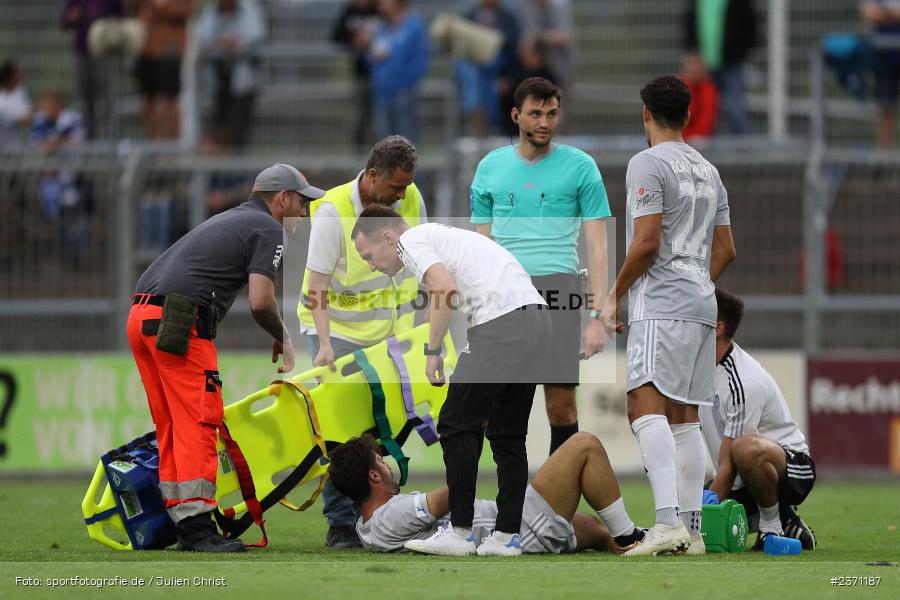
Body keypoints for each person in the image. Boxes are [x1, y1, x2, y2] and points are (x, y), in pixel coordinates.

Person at [127, 164, 324, 552]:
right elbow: (260, 300)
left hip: (141, 316)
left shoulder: (233, 218)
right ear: (281, 198)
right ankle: (198, 529)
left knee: (171, 424)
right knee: (199, 421)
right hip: (180, 322)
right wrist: (282, 336)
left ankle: (183, 520)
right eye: (302, 203)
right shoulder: (268, 228)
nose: (304, 213)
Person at [351, 207, 551, 556]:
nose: (371, 264)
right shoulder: (441, 238)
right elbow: (448, 296)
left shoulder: (411, 241)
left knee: (456, 422)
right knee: (507, 434)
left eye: (368, 255)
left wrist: (433, 352)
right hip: (536, 319)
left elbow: (444, 288)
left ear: (387, 237)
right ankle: (506, 537)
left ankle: (459, 531)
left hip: (503, 322)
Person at [601, 75, 736, 556]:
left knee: (644, 406)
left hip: (662, 304)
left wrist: (614, 295)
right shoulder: (708, 170)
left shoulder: (647, 163)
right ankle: (692, 531)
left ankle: (664, 524)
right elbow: (726, 248)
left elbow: (646, 241)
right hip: (701, 303)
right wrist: (698, 280)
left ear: (645, 113)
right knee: (685, 418)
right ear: (689, 115)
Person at [297, 135, 427, 549]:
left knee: (384, 428)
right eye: (395, 188)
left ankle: (373, 514)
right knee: (345, 434)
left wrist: (420, 332)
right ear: (372, 177)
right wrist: (323, 345)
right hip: (334, 332)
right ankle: (341, 524)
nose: (402, 196)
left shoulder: (410, 199)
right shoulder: (333, 213)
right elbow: (316, 285)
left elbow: (422, 268)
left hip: (386, 335)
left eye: (406, 187)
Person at [470, 77, 611, 457]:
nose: (544, 122)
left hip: (560, 290)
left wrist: (599, 315)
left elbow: (598, 247)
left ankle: (556, 506)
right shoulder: (489, 168)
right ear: (516, 116)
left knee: (561, 403)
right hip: (506, 292)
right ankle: (500, 505)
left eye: (551, 113)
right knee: (499, 408)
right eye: (535, 113)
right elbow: (480, 246)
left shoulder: (581, 167)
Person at [328, 432, 645, 554]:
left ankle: (628, 541)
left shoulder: (366, 525)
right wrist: (468, 434)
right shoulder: (391, 516)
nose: (388, 466)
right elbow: (455, 493)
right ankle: (630, 538)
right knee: (584, 444)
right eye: (381, 463)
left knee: (595, 529)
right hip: (517, 529)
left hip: (514, 522)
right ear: (373, 475)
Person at [701, 287, 817, 551]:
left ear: (717, 328)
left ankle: (771, 527)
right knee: (694, 510)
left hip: (792, 468)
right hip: (741, 473)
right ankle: (788, 521)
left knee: (745, 449)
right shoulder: (700, 370)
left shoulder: (743, 380)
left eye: (696, 318)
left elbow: (730, 464)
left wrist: (702, 516)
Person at [195, 0, 266, 151]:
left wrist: (228, 43)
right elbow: (203, 37)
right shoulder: (211, 11)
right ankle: (221, 168)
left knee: (240, 127)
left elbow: (253, 37)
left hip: (243, 81)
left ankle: (238, 168)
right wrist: (225, 43)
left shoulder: (249, 9)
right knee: (220, 125)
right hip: (218, 79)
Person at [30, 90, 90, 268]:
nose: (44, 108)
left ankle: (77, 256)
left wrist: (56, 144)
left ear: (57, 104)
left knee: (76, 218)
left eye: (48, 104)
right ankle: (65, 254)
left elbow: (79, 143)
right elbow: (35, 144)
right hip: (50, 179)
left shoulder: (71, 119)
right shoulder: (41, 120)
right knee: (60, 219)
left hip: (73, 178)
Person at [683, 0, 758, 136]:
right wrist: (692, 54)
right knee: (708, 112)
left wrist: (741, 53)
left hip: (732, 63)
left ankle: (745, 149)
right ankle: (712, 151)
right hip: (704, 67)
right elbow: (689, 24)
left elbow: (750, 25)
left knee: (737, 108)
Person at [363, 0, 429, 142]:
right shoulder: (381, 28)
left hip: (404, 94)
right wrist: (370, 51)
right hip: (382, 93)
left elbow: (420, 60)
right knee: (384, 144)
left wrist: (407, 86)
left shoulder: (413, 26)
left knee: (406, 142)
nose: (380, 4)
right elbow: (370, 59)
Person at [455, 0, 522, 136]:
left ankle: (478, 111)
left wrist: (492, 39)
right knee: (471, 68)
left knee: (485, 72)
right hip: (473, 62)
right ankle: (476, 109)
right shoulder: (468, 15)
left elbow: (512, 42)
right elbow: (460, 42)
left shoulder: (507, 16)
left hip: (498, 63)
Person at [130, 0, 194, 140]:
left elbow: (185, 11)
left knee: (170, 99)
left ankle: (171, 148)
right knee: (148, 98)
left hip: (169, 50)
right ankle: (153, 146)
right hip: (146, 48)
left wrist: (162, 6)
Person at [61, 0, 123, 139]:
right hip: (82, 54)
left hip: (104, 54)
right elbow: (65, 21)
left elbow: (120, 16)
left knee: (108, 102)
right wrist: (73, 17)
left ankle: (111, 143)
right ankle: (89, 144)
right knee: (86, 103)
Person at [332, 0, 380, 153]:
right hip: (359, 74)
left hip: (381, 75)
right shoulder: (350, 11)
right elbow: (335, 36)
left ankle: (381, 154)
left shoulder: (379, 10)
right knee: (359, 115)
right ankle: (358, 153)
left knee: (378, 117)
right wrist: (354, 42)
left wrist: (371, 41)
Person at [862, 0, 900, 148]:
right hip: (883, 56)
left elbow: (878, 14)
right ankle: (885, 160)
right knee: (885, 108)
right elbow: (870, 14)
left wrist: (884, 14)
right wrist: (893, 14)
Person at [520, 0, 574, 92]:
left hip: (560, 64)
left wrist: (539, 36)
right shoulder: (528, 6)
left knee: (560, 100)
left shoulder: (559, 6)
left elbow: (565, 36)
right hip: (540, 66)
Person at [679, 52, 719, 142]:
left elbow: (707, 118)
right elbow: (676, 119)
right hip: (679, 136)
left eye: (697, 67)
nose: (695, 69)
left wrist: (694, 136)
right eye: (692, 66)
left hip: (700, 138)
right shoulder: (678, 87)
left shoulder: (709, 89)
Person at [0, 60, 32, 150]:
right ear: (8, 78)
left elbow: (27, 120)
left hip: (13, 148)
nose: (19, 76)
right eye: (16, 74)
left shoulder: (20, 93)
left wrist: (8, 118)